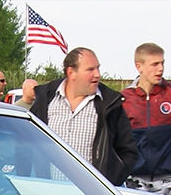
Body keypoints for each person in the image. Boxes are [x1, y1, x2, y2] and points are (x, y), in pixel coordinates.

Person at [28, 47, 136, 186]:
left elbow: (128, 151)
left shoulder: (110, 105)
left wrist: (109, 183)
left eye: (98, 68)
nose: (97, 74)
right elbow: (25, 146)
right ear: (71, 72)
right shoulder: (46, 100)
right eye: (90, 69)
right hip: (48, 192)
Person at [119, 42, 171, 195]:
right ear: (139, 66)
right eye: (154, 64)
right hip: (134, 182)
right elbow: (116, 143)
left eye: (162, 63)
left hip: (168, 181)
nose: (160, 68)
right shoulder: (125, 99)